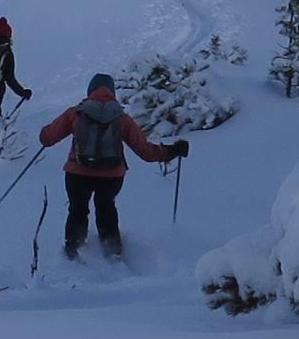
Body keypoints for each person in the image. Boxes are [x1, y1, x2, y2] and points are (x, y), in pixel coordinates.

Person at [38, 73, 187, 261]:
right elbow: (146, 151)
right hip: (111, 175)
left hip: (78, 173)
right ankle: (113, 252)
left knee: (78, 209)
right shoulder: (121, 118)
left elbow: (47, 138)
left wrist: (45, 134)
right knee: (106, 207)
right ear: (112, 92)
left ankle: (73, 252)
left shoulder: (76, 113)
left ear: (90, 91)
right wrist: (172, 151)